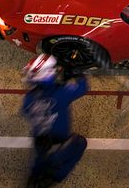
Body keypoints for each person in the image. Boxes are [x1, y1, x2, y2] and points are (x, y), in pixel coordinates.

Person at [21, 54, 89, 188]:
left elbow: (25, 111)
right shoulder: (61, 94)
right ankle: (51, 178)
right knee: (80, 143)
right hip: (58, 141)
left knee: (40, 158)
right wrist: (79, 74)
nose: (56, 70)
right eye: (53, 69)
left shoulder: (29, 98)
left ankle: (34, 177)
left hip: (40, 139)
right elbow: (82, 88)